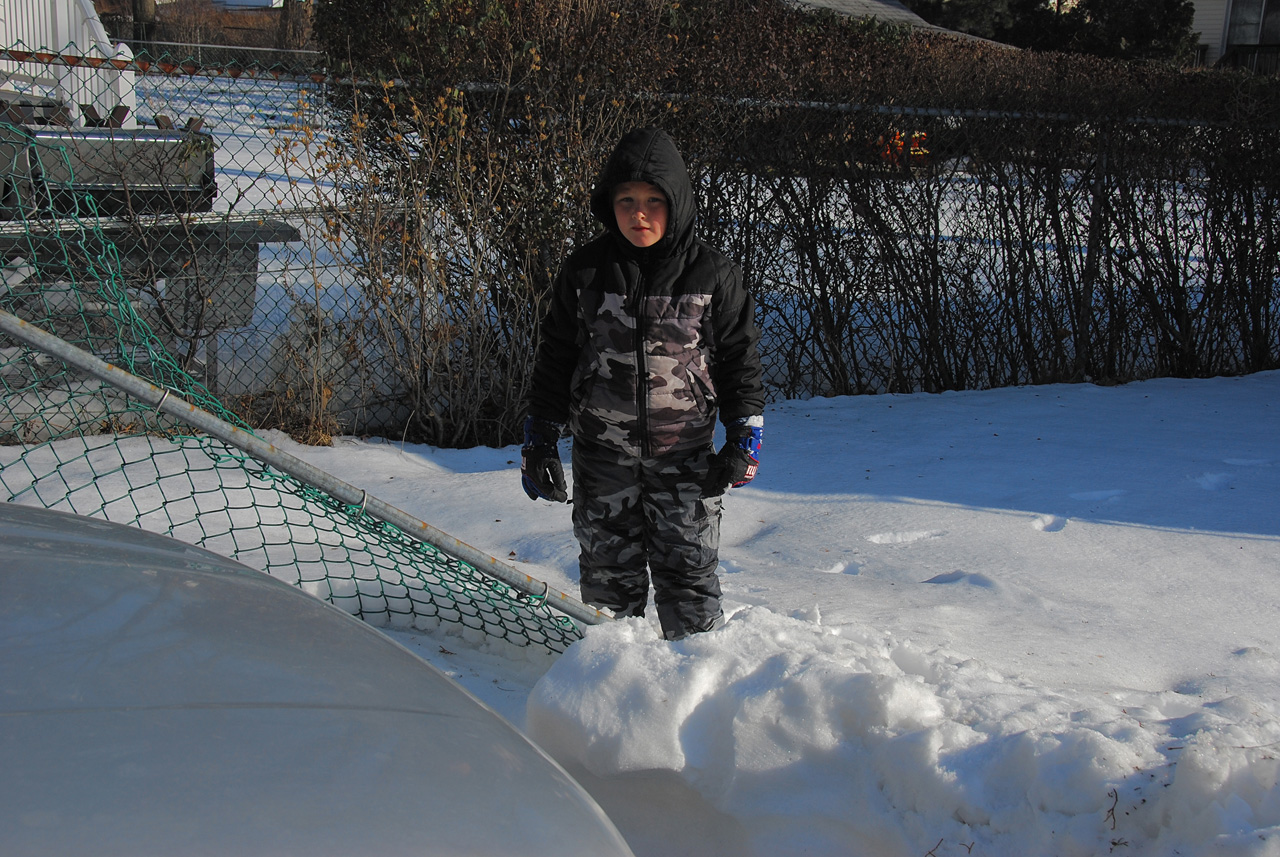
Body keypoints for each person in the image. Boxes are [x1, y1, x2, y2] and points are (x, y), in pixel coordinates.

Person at [520, 126, 765, 641]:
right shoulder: (585, 273)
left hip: (687, 459)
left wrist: (745, 436)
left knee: (689, 578)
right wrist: (540, 438)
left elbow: (739, 360)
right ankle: (611, 684)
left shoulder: (713, 275)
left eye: (654, 201)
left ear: (676, 204)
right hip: (602, 458)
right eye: (626, 200)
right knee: (609, 583)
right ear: (607, 204)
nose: (639, 214)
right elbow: (556, 357)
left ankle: (694, 686)